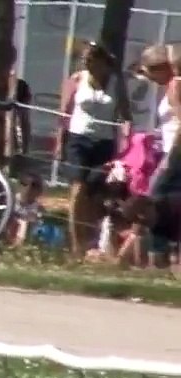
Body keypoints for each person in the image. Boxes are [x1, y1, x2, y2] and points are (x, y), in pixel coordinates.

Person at [54, 41, 130, 258]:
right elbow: (64, 113)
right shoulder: (77, 79)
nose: (87, 64)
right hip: (78, 139)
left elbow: (125, 114)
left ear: (103, 61)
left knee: (95, 194)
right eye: (84, 60)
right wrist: (59, 142)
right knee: (78, 188)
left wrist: (126, 138)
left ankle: (91, 241)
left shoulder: (116, 83)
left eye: (91, 60)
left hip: (104, 143)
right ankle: (76, 246)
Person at [135, 44, 181, 267]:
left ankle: (157, 260)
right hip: (173, 152)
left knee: (155, 206)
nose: (150, 79)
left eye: (150, 73)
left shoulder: (175, 86)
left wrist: (168, 160)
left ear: (162, 68)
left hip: (176, 155)